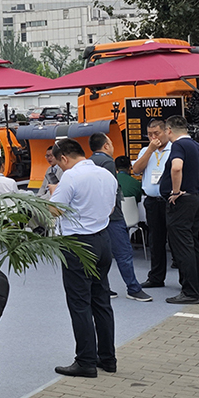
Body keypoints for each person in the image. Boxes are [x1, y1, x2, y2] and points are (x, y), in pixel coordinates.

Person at [47, 139, 118, 376]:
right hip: (102, 239)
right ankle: (108, 358)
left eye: (59, 163)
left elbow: (55, 210)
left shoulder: (71, 177)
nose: (60, 168)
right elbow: (110, 209)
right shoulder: (106, 174)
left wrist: (52, 195)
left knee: (80, 303)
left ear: (64, 158)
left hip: (78, 243)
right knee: (101, 300)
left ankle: (86, 360)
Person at [89, 134, 150, 302]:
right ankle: (133, 288)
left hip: (95, 216)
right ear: (106, 146)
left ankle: (103, 288)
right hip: (113, 216)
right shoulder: (108, 162)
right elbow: (111, 188)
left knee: (100, 255)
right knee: (124, 253)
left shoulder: (88, 162)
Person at [161, 115, 199, 305]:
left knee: (182, 245)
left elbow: (176, 167)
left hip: (181, 201)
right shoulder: (197, 146)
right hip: (195, 198)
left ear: (169, 130)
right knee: (194, 242)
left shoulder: (178, 146)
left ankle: (189, 291)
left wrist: (176, 191)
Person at [130, 120, 171, 287]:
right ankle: (156, 277)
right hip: (152, 201)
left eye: (157, 133)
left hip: (170, 200)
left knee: (176, 239)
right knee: (155, 240)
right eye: (150, 134)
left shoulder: (174, 149)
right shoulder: (145, 151)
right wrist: (150, 150)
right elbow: (136, 170)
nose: (154, 137)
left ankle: (185, 278)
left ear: (166, 132)